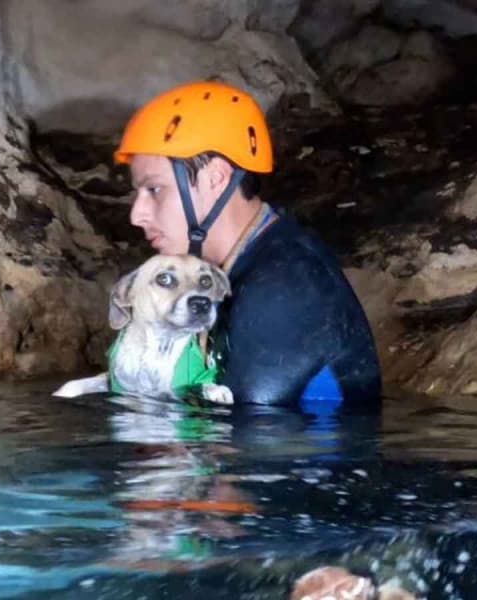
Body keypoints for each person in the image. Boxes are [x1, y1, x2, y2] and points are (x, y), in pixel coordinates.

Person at [112, 80, 381, 413]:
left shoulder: (285, 286)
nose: (137, 215)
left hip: (308, 461)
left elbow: (248, 446)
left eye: (154, 190)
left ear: (216, 178)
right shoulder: (250, 259)